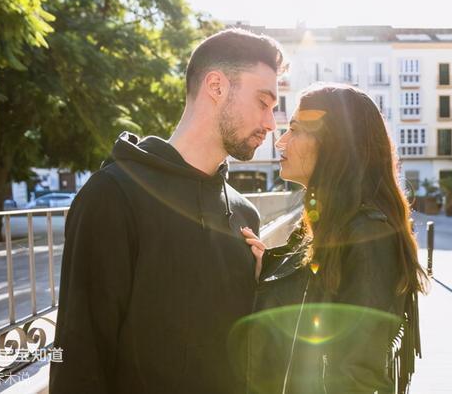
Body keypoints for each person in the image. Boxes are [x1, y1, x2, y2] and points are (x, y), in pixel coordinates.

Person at [49, 28, 287, 393]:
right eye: (263, 102)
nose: (271, 123)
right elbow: (77, 356)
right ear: (216, 86)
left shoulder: (244, 215)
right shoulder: (112, 196)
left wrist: (258, 291)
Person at [241, 84, 429, 394]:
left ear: (335, 144)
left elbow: (357, 376)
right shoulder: (326, 223)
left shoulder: (367, 235)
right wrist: (267, 266)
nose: (280, 141)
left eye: (295, 130)